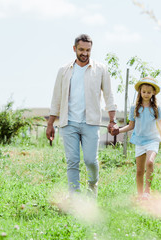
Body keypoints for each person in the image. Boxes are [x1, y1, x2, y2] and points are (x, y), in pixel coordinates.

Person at [46, 34, 117, 197]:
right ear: (74, 49)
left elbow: (109, 95)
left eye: (88, 50)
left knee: (91, 160)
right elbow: (56, 97)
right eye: (81, 50)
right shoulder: (64, 71)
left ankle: (92, 188)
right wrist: (50, 123)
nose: (85, 53)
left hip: (90, 122)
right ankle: (75, 198)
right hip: (68, 122)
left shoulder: (100, 69)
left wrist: (112, 120)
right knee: (72, 161)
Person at [111, 77, 161, 200]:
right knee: (140, 171)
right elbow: (131, 126)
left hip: (152, 140)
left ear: (153, 93)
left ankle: (147, 191)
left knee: (150, 162)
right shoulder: (134, 108)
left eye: (149, 92)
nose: (146, 94)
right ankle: (140, 195)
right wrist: (118, 130)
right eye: (144, 91)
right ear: (140, 92)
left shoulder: (156, 109)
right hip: (139, 142)